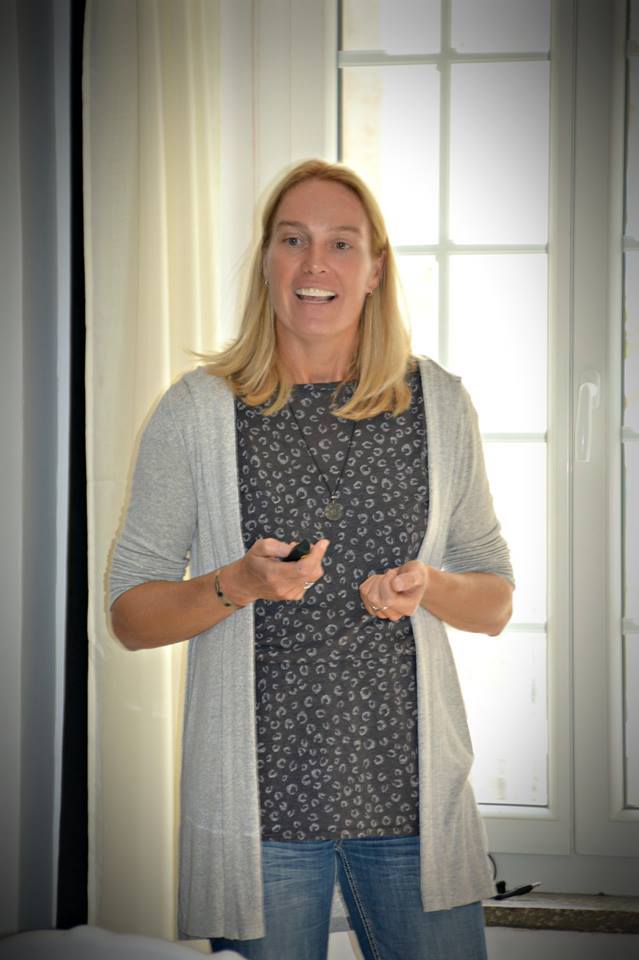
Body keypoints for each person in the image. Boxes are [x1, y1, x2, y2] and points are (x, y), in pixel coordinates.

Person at [109, 159, 514, 960]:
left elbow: (495, 600)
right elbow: (129, 616)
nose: (314, 264)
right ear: (266, 260)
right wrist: (236, 583)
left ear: (375, 269)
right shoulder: (196, 411)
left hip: (412, 813)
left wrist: (429, 586)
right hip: (259, 823)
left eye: (340, 243)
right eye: (292, 240)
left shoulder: (437, 404)